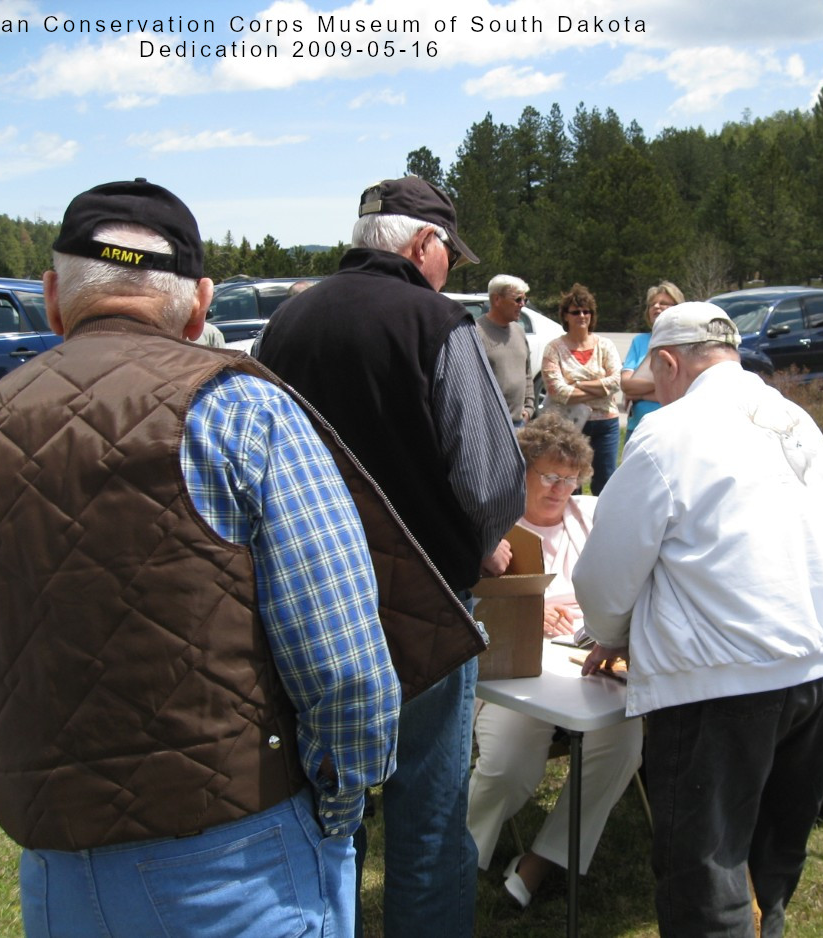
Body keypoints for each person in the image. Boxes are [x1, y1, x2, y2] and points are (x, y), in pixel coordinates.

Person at [0, 178, 403, 936]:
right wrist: (338, 810)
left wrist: (32, 798)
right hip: (240, 863)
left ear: (52, 297)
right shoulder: (244, 409)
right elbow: (346, 666)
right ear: (200, 301)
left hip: (56, 872)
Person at [255, 175, 525, 938]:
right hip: (424, 603)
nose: (452, 272)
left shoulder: (287, 322)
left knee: (330, 798)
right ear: (421, 245)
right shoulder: (435, 321)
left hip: (306, 599)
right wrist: (485, 541)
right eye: (450, 253)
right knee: (430, 811)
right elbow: (493, 478)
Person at [572, 302, 823, 938]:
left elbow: (606, 573)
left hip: (727, 677)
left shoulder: (669, 431)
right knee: (772, 856)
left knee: (708, 874)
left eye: (656, 378)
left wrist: (610, 632)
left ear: (667, 362)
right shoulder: (794, 418)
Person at [466, 414, 643, 907]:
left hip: (587, 664)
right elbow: (468, 604)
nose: (560, 488)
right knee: (509, 762)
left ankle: (541, 861)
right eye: (549, 476)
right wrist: (528, 607)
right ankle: (462, 854)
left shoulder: (590, 517)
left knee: (624, 739)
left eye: (570, 478)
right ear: (521, 472)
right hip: (516, 671)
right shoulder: (494, 532)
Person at [540, 283, 622, 494]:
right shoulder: (554, 349)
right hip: (570, 425)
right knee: (569, 482)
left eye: (587, 311)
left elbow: (615, 381)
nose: (582, 316)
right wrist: (601, 387)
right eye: (576, 312)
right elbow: (557, 392)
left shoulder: (605, 345)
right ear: (565, 316)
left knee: (605, 481)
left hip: (606, 425)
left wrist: (575, 385)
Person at [620, 281, 684, 437]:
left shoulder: (685, 343)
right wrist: (666, 382)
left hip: (673, 428)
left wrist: (639, 395)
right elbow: (627, 385)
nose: (656, 307)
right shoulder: (640, 341)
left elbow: (682, 391)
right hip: (638, 428)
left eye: (663, 303)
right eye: (652, 304)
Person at [477, 274, 534, 426]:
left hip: (519, 424)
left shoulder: (519, 331)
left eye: (524, 300)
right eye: (517, 300)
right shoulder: (476, 333)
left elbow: (527, 373)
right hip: (489, 426)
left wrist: (529, 408)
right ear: (497, 300)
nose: (522, 304)